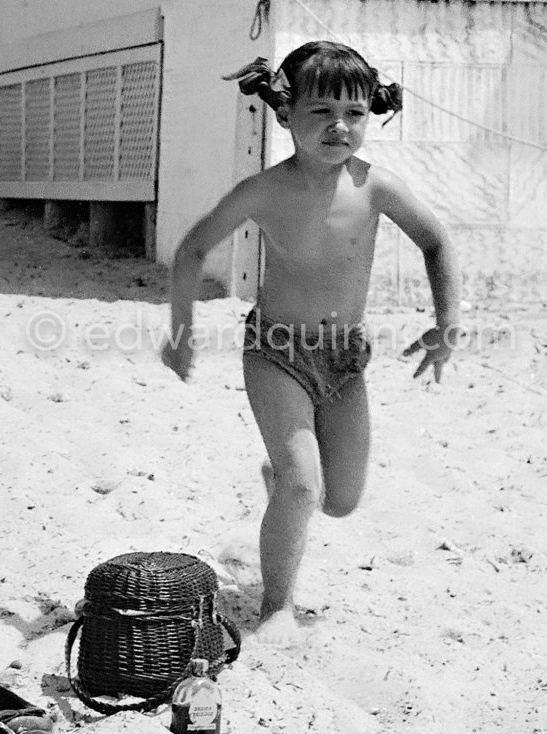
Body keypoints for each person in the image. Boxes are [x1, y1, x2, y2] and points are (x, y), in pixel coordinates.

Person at [163, 41, 461, 646]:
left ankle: (284, 480)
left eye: (354, 112)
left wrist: (444, 322)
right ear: (283, 113)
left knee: (340, 501)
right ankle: (276, 607)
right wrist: (181, 328)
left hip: (346, 360)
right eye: (321, 111)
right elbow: (194, 247)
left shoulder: (377, 188)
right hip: (276, 352)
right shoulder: (265, 190)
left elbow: (436, 242)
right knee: (305, 484)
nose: (339, 126)